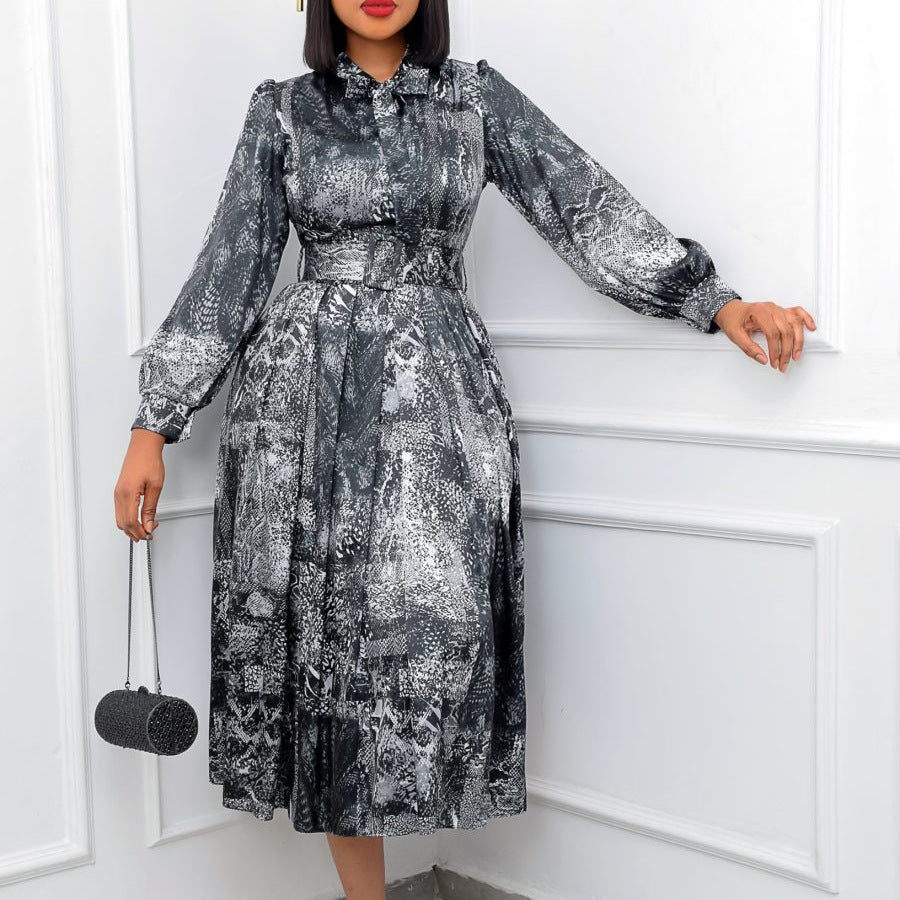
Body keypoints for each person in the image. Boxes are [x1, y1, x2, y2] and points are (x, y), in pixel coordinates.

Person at [113, 1, 816, 897]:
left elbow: (580, 203)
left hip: (437, 403)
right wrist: (154, 423)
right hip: (299, 412)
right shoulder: (283, 109)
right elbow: (229, 269)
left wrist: (714, 301)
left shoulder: (473, 98)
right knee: (321, 656)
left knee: (431, 627)